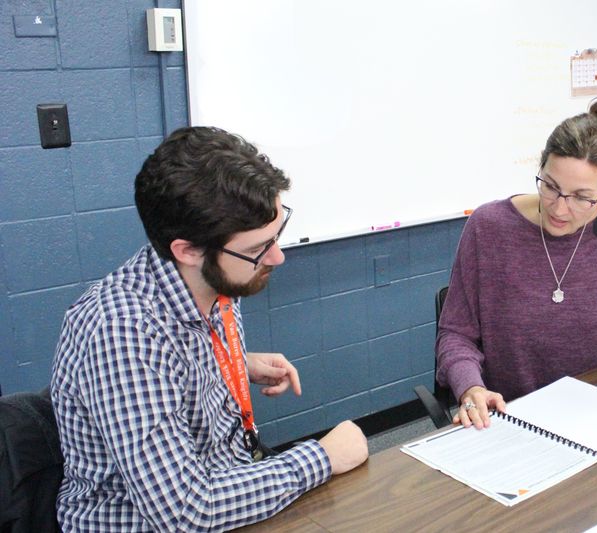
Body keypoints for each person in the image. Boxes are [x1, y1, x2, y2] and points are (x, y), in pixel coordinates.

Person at [50, 127, 368, 531]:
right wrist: (321, 458)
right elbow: (184, 511)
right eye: (257, 249)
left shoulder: (212, 280)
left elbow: (173, 362)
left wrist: (235, 363)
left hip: (227, 493)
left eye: (276, 236)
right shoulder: (121, 332)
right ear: (186, 250)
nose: (278, 257)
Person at [436, 100, 597, 429]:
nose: (560, 209)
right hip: (509, 417)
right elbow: (456, 335)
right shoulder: (489, 227)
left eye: (582, 197)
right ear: (541, 168)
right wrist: (471, 387)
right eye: (551, 187)